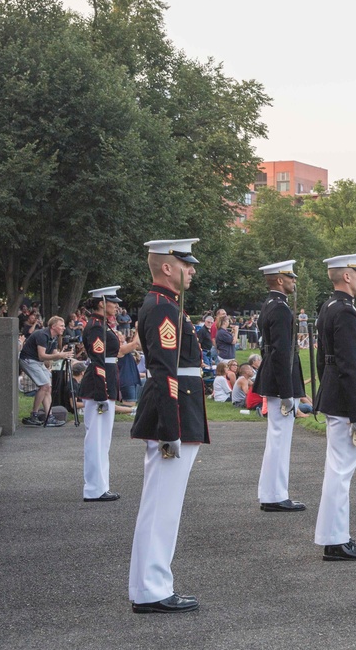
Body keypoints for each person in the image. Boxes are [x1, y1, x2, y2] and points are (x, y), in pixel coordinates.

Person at [129, 238, 209, 614]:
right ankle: (153, 589)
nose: (191, 270)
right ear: (167, 267)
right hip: (174, 414)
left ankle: (149, 586)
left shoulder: (167, 305)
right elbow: (164, 372)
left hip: (177, 411)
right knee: (162, 507)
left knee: (159, 506)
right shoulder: (163, 308)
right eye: (186, 264)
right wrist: (171, 429)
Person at [312, 252, 356, 561]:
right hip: (344, 400)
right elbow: (350, 367)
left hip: (332, 394)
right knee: (340, 472)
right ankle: (336, 541)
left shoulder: (329, 307)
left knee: (336, 470)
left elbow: (321, 357)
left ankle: (333, 536)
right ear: (347, 276)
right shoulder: (347, 312)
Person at [252, 260, 306, 512]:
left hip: (273, 375)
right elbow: (283, 353)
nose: (294, 281)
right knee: (279, 440)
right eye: (291, 278)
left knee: (277, 438)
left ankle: (271, 493)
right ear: (281, 280)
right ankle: (275, 495)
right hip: (280, 378)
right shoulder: (281, 309)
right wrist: (287, 392)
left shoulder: (271, 305)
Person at [79, 286, 129, 502]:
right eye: (113, 302)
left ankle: (100, 486)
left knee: (102, 439)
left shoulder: (102, 325)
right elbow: (99, 361)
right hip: (99, 385)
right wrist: (102, 394)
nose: (117, 306)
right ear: (101, 302)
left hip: (104, 382)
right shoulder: (97, 327)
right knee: (97, 440)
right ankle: (94, 489)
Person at [18, 315, 74, 427]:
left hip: (37, 361)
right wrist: (59, 355)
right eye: (61, 326)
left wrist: (63, 354)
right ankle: (34, 414)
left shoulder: (53, 337)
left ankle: (49, 417)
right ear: (53, 326)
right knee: (44, 386)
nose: (64, 328)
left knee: (48, 387)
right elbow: (42, 356)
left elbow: (53, 354)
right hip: (29, 360)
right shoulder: (42, 335)